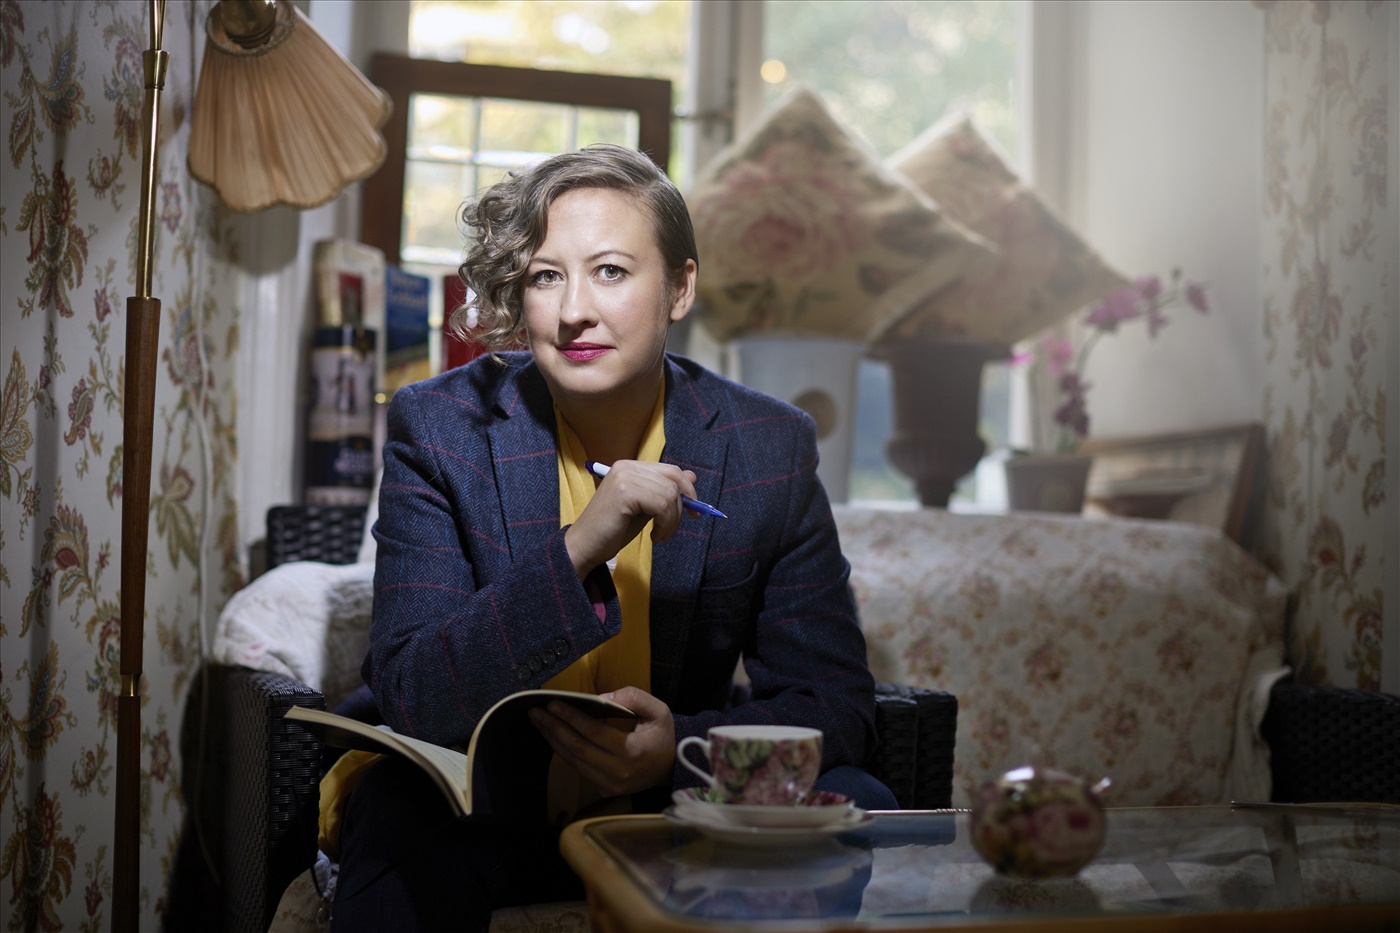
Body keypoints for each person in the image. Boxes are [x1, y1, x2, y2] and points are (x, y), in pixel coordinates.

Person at [331, 143, 893, 932]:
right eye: (545, 276)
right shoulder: (439, 427)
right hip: (489, 804)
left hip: (678, 811)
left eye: (611, 271)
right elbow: (415, 695)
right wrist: (580, 546)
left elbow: (837, 702)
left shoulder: (769, 445)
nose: (573, 311)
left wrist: (677, 750)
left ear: (680, 288)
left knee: (863, 802)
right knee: (395, 812)